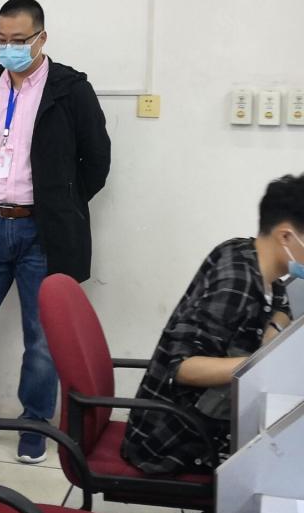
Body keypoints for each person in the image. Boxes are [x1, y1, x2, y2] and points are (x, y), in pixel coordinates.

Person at [0, 0, 111, 463]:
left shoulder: (70, 89)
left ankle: (34, 425)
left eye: (19, 40)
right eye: (1, 39)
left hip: (43, 230)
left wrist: (61, 202)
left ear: (42, 38)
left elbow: (97, 160)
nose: (9, 48)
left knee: (41, 335)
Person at [121, 174, 300, 475]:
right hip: (172, 442)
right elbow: (182, 367)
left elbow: (278, 305)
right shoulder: (237, 284)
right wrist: (267, 364)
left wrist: (277, 333)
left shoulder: (247, 253)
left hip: (198, 422)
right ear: (286, 236)